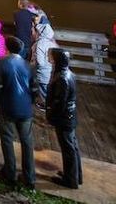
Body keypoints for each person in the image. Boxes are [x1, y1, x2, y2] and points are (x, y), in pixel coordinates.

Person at [0, 36, 38, 189]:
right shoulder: (28, 66)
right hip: (25, 109)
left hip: (7, 107)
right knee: (27, 142)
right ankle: (29, 177)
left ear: (7, 48)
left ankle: (10, 173)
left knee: (7, 139)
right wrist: (29, 101)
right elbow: (35, 89)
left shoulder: (1, 63)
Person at [46, 48, 82, 189]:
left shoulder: (62, 78)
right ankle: (74, 175)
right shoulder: (68, 74)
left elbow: (60, 101)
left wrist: (51, 114)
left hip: (64, 117)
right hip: (69, 115)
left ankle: (70, 179)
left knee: (68, 148)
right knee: (72, 146)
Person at [32, 22, 58, 105]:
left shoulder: (40, 44)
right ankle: (49, 104)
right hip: (51, 72)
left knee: (43, 90)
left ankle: (45, 106)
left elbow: (40, 62)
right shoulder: (52, 44)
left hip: (42, 73)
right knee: (48, 90)